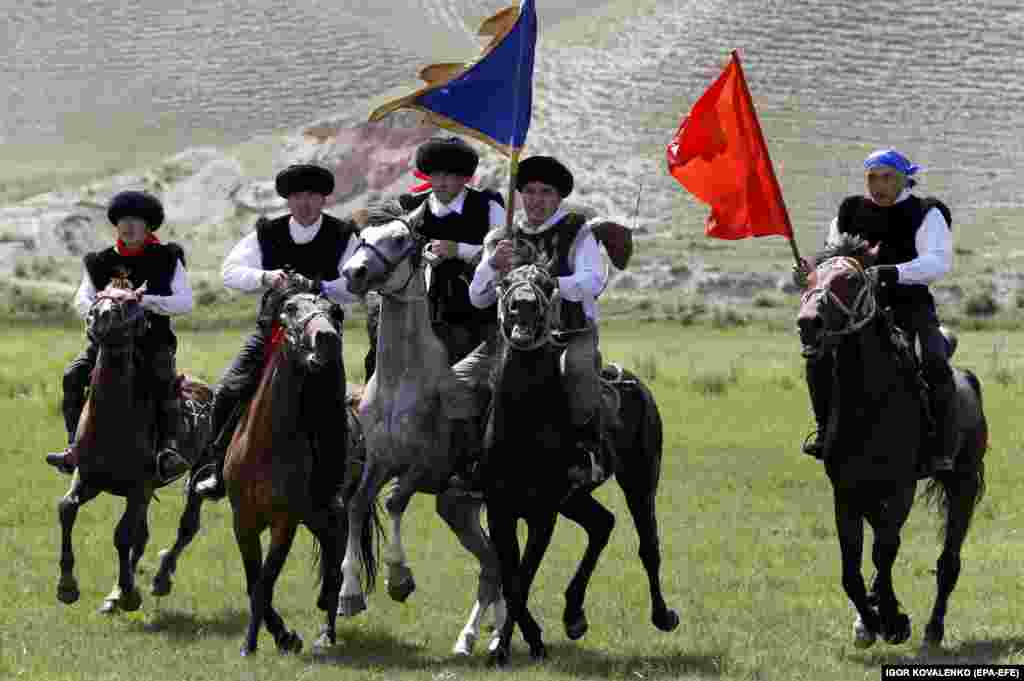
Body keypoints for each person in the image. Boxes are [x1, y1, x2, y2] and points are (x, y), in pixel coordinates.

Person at [194, 163, 363, 499]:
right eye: (298, 195)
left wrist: (321, 287)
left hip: (321, 334)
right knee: (228, 390)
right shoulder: (266, 233)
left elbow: (357, 285)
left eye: (313, 195)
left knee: (332, 406)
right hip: (271, 330)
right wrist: (265, 278)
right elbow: (229, 271)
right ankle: (216, 470)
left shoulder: (344, 235)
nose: (305, 203)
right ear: (288, 200)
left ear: (323, 200)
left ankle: (332, 485)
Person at [450, 155, 610, 491]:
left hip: (568, 332)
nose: (537, 199)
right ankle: (470, 459)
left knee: (579, 370)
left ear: (558, 197)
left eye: (546, 192)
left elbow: (594, 280)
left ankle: (586, 452)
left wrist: (545, 282)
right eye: (530, 191)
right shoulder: (501, 237)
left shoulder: (577, 230)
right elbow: (478, 298)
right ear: (520, 194)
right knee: (456, 382)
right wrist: (492, 265)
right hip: (510, 337)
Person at [796, 148, 955, 471]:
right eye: (872, 178)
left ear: (904, 179)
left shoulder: (926, 212)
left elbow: (938, 262)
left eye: (887, 178)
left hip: (909, 305)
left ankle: (940, 446)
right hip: (853, 309)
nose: (878, 185)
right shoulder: (850, 211)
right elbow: (832, 259)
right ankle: (825, 430)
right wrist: (809, 271)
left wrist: (891, 272)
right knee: (818, 356)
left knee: (934, 360)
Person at [45, 190, 194, 482]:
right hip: (107, 344)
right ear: (116, 224)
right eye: (124, 220)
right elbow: (81, 300)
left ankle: (168, 450)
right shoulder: (98, 261)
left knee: (163, 380)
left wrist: (146, 301)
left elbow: (185, 302)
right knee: (72, 376)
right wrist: (104, 306)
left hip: (152, 342)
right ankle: (74, 446)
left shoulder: (167, 258)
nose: (129, 226)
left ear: (149, 226)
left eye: (137, 221)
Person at [363, 136, 506, 379]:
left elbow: (502, 254)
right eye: (435, 174)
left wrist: (459, 249)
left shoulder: (488, 206)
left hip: (473, 317)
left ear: (464, 177)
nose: (440, 182)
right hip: (415, 313)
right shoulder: (408, 206)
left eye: (449, 175)